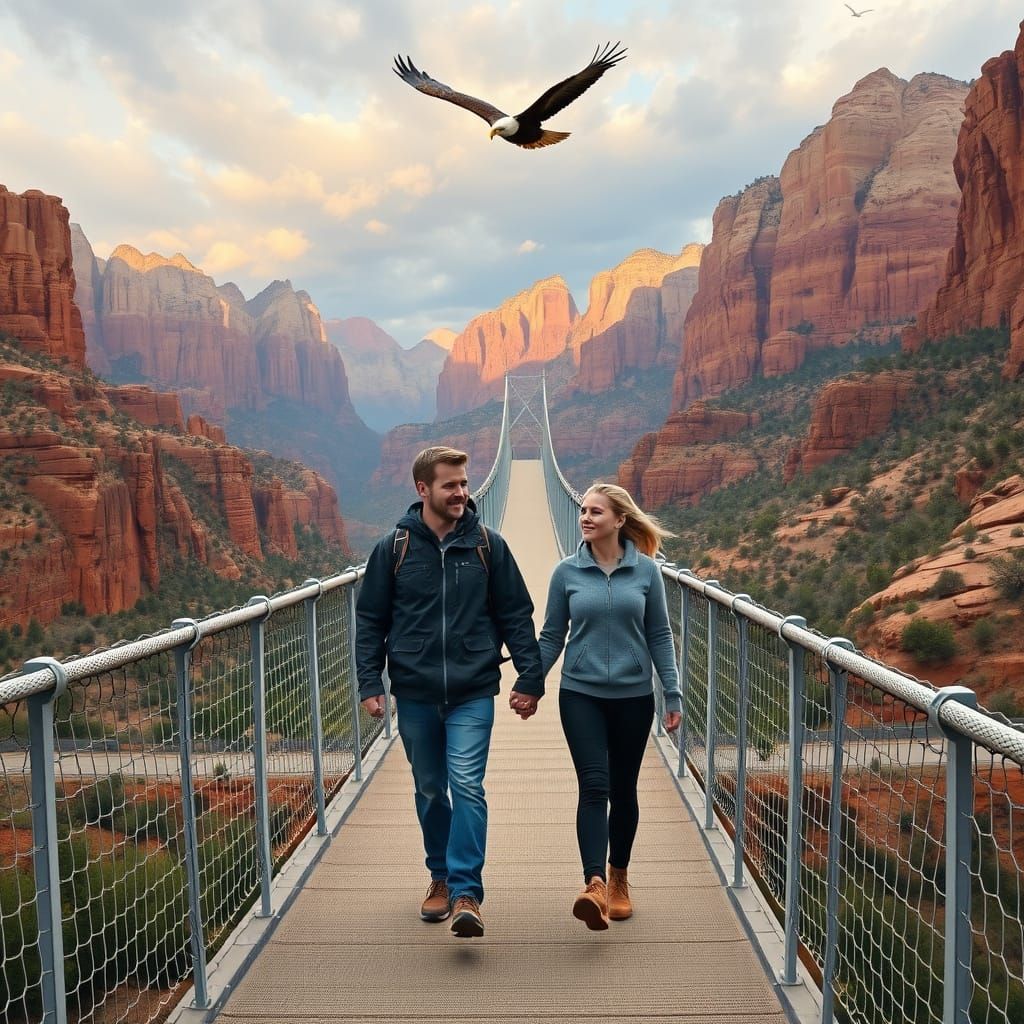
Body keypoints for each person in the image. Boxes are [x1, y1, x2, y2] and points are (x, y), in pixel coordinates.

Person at [356, 445, 543, 939]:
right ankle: (438, 874)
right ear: (423, 490)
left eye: (464, 483)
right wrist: (370, 682)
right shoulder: (392, 549)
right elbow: (371, 620)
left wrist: (530, 678)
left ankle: (465, 892)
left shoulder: (488, 544)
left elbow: (516, 615)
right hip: (415, 692)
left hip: (473, 689)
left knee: (466, 785)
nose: (462, 492)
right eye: (451, 485)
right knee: (431, 788)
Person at [537, 482, 682, 931]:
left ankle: (620, 877)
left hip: (634, 696)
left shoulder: (646, 573)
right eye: (583, 510)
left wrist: (672, 693)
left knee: (624, 788)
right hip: (579, 693)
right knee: (594, 785)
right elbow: (550, 635)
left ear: (620, 520)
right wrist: (530, 683)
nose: (585, 517)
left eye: (596, 512)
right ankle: (595, 884)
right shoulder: (566, 572)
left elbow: (659, 634)